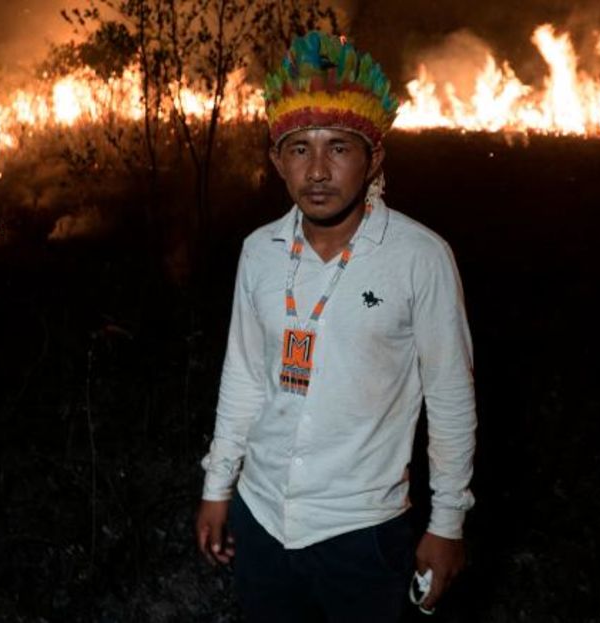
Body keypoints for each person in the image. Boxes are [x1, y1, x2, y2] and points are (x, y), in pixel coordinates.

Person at [193, 30, 477, 622]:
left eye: (339, 148)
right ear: (276, 161)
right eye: (299, 148)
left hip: (362, 532)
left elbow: (450, 397)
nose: (317, 170)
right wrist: (218, 487)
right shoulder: (259, 251)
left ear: (373, 158)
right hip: (262, 517)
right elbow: (244, 376)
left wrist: (446, 522)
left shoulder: (419, 257)